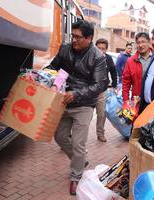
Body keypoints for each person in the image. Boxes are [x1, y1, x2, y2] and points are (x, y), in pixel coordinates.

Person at [47, 20, 108, 195]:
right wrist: (49, 80)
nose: (74, 40)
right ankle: (80, 161)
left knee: (78, 143)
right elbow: (53, 67)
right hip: (63, 100)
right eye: (72, 36)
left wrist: (77, 94)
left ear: (89, 38)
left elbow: (100, 85)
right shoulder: (65, 48)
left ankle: (76, 176)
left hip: (84, 104)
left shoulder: (98, 57)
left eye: (78, 37)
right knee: (59, 137)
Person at [95, 38, 117, 142]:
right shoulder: (90, 57)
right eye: (98, 48)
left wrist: (114, 84)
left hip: (102, 91)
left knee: (101, 114)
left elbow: (113, 71)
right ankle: (80, 137)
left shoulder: (108, 59)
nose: (100, 50)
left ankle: (100, 133)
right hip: (88, 91)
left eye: (103, 49)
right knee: (85, 116)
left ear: (106, 49)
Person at [122, 32, 152, 110]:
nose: (140, 45)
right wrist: (126, 100)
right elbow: (126, 82)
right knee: (137, 122)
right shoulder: (131, 61)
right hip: (137, 102)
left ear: (149, 42)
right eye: (138, 43)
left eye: (143, 42)